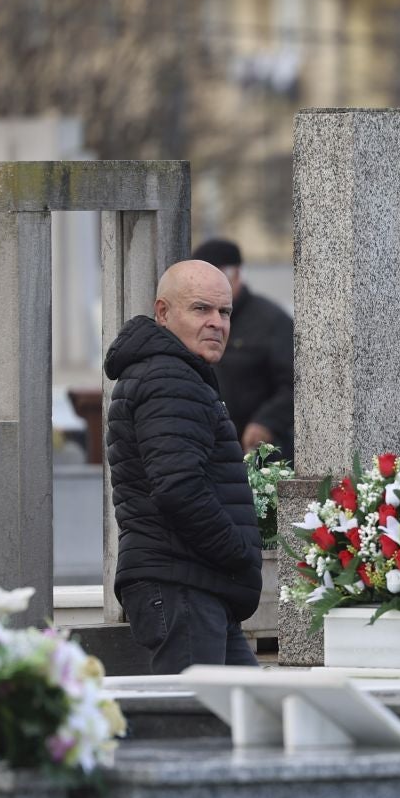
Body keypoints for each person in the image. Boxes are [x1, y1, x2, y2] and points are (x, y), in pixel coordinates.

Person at [103, 260, 263, 671]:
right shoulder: (169, 377)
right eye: (200, 309)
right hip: (182, 585)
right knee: (196, 725)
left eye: (224, 312)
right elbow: (178, 489)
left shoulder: (174, 374)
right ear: (163, 313)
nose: (216, 323)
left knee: (246, 722)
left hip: (194, 582)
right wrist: (238, 552)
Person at [191, 237, 294, 460]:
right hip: (209, 446)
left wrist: (267, 421)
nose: (216, 323)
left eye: (219, 278)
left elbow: (296, 383)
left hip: (262, 452)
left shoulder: (272, 321)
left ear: (236, 274)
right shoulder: (192, 322)